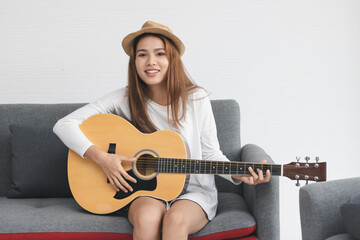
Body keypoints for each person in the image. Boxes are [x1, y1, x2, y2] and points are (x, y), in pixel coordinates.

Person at [53, 20, 271, 240]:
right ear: (134, 61)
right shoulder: (125, 98)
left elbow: (211, 155)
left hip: (194, 193)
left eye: (159, 54)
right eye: (142, 55)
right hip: (147, 191)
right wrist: (103, 159)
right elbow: (63, 125)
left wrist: (239, 173)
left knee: (174, 220)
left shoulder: (196, 98)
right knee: (147, 217)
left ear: (172, 59)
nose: (151, 62)